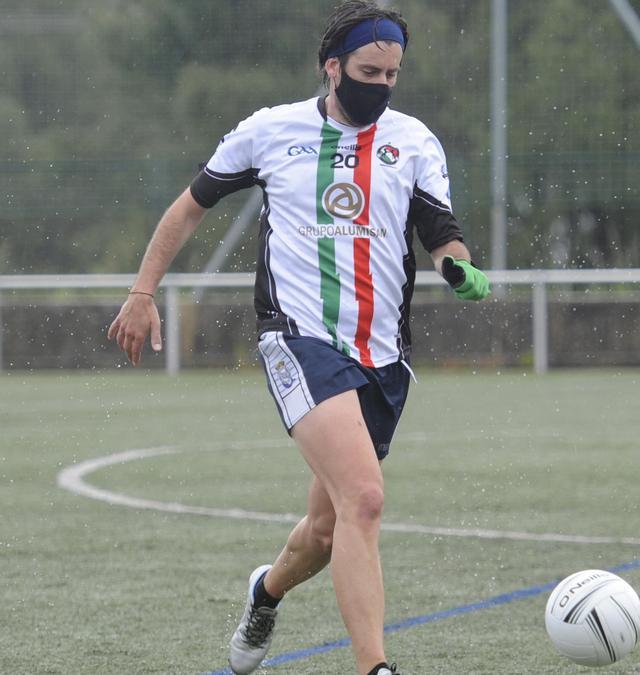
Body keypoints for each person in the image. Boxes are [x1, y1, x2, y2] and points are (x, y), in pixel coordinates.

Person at [106, 3, 490, 674]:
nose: (382, 85)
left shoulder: (415, 141)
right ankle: (376, 666)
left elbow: (438, 228)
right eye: (369, 71)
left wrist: (455, 264)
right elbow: (188, 207)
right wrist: (143, 292)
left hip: (383, 356)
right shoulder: (269, 131)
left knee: (324, 529)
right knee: (365, 499)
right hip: (298, 340)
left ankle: (266, 590)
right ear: (332, 66)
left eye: (393, 74)